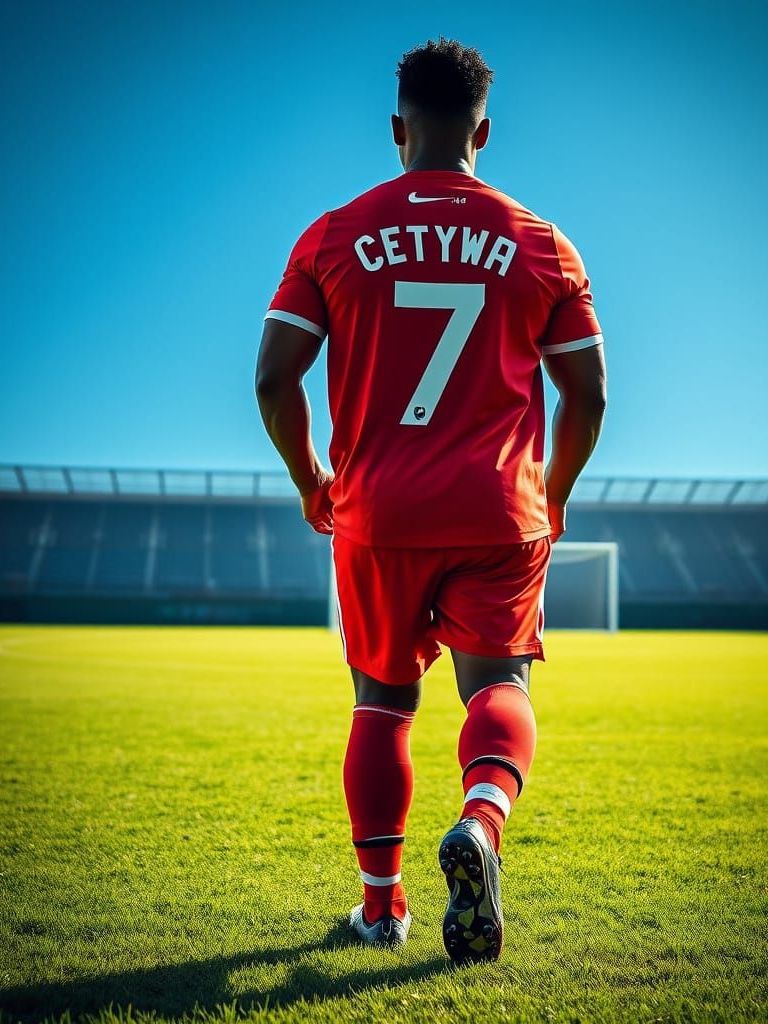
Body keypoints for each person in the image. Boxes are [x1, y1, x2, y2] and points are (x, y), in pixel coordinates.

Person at [255, 37, 606, 963]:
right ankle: (483, 823)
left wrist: (309, 483)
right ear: (483, 130)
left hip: (378, 513)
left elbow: (272, 380)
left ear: (397, 128)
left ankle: (381, 909)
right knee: (498, 685)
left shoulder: (334, 234)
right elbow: (591, 394)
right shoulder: (541, 242)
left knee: (382, 703)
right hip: (500, 511)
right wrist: (555, 493)